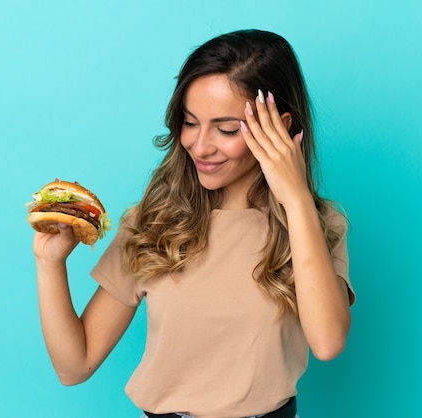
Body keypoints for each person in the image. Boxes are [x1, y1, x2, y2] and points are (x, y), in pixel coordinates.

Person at [33, 29, 355, 418]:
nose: (200, 146)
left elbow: (327, 342)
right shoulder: (152, 221)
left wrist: (297, 200)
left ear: (279, 127)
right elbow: (74, 365)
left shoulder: (319, 223)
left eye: (226, 129)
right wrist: (50, 263)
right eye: (189, 122)